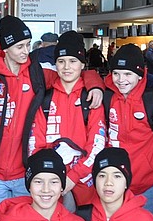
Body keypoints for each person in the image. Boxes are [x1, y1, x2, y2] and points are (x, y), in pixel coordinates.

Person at [0, 16, 101, 221]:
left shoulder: (39, 74)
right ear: (6, 48)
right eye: (19, 46)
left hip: (26, 173)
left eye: (28, 45)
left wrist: (96, 86)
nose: (26, 51)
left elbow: (76, 72)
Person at [24, 31, 107, 211]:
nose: (66, 67)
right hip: (51, 186)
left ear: (82, 64)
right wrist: (53, 178)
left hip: (86, 187)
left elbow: (97, 144)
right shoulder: (45, 99)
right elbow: (35, 144)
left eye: (73, 61)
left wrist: (73, 177)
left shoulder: (91, 98)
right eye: (61, 61)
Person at [100, 44, 153, 221]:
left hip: (146, 185)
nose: (121, 80)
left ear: (141, 73)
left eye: (128, 74)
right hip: (112, 184)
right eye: (116, 73)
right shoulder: (105, 97)